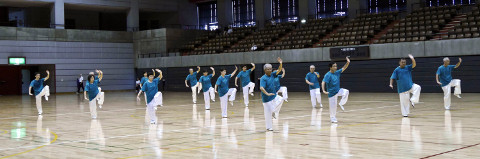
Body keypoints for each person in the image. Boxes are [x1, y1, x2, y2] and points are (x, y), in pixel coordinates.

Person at [321, 56, 350, 123]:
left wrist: (348, 62)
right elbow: (323, 82)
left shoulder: (337, 72)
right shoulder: (327, 75)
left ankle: (341, 103)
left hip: (338, 90)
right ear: (330, 67)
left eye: (336, 66)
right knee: (333, 108)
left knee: (346, 92)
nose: (336, 67)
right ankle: (332, 118)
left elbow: (344, 68)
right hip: (331, 93)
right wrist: (323, 90)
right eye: (334, 66)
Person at [260, 57, 284, 131]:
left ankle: (274, 111)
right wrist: (267, 93)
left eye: (270, 69)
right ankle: (269, 127)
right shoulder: (263, 78)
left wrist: (280, 63)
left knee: (281, 99)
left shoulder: (273, 74)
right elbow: (261, 88)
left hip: (273, 96)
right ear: (265, 70)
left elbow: (279, 70)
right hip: (266, 98)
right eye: (268, 69)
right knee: (267, 114)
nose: (270, 70)